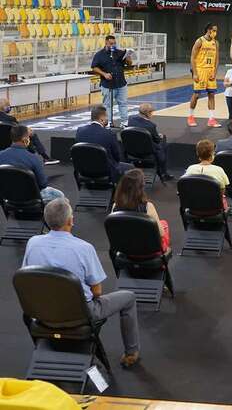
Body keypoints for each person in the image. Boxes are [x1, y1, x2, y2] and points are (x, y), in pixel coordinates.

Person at [22, 198, 140, 367]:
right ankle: (131, 353)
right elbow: (97, 291)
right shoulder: (84, 248)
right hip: (80, 314)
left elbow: (27, 279)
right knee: (129, 297)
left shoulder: (32, 243)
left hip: (42, 313)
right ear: (70, 221)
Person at [0, 125, 64, 203]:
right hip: (30, 198)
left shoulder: (1, 155)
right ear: (25, 140)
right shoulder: (32, 158)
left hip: (7, 197)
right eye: (29, 137)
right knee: (59, 195)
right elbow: (43, 184)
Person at [112, 169, 170, 254]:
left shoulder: (115, 206)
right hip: (148, 252)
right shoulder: (148, 207)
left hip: (125, 251)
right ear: (141, 187)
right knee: (164, 224)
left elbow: (114, 233)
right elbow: (161, 233)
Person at [75, 105, 134, 182]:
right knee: (131, 168)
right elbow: (117, 157)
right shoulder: (109, 134)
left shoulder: (80, 131)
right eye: (106, 116)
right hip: (105, 171)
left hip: (84, 170)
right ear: (102, 119)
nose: (107, 119)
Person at [91, 34, 134, 127]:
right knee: (107, 105)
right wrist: (104, 74)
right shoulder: (99, 55)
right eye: (111, 43)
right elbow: (94, 67)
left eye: (114, 43)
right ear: (106, 43)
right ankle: (108, 122)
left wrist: (128, 57)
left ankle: (125, 122)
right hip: (107, 85)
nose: (113, 45)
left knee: (123, 103)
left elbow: (129, 64)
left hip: (121, 83)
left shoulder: (120, 53)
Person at [0, 97, 58, 164]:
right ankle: (44, 157)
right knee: (31, 134)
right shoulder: (11, 119)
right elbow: (20, 130)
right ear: (6, 108)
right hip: (9, 143)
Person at [127, 103, 173, 181]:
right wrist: (159, 136)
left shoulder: (131, 119)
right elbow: (157, 140)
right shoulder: (150, 126)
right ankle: (163, 172)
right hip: (147, 151)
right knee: (163, 140)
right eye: (152, 112)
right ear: (148, 113)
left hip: (132, 149)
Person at [187, 23, 221, 128]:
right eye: (214, 30)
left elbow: (217, 59)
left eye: (216, 31)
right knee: (197, 95)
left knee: (211, 94)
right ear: (208, 30)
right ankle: (191, 116)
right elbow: (192, 57)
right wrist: (195, 73)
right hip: (200, 70)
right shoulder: (200, 41)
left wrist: (215, 72)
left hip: (210, 70)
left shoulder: (216, 43)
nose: (215, 33)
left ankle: (211, 119)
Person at [184, 140, 230, 209]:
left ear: (197, 153)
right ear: (212, 154)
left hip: (193, 207)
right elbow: (222, 190)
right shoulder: (219, 170)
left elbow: (185, 188)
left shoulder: (190, 168)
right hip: (214, 208)